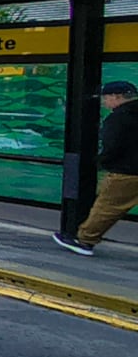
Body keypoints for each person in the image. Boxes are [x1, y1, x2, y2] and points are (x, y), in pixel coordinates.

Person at [55, 80, 138, 256]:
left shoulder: (118, 117)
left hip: (126, 172)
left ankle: (84, 241)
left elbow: (112, 145)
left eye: (106, 98)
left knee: (106, 208)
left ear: (117, 96)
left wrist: (101, 161)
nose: (104, 102)